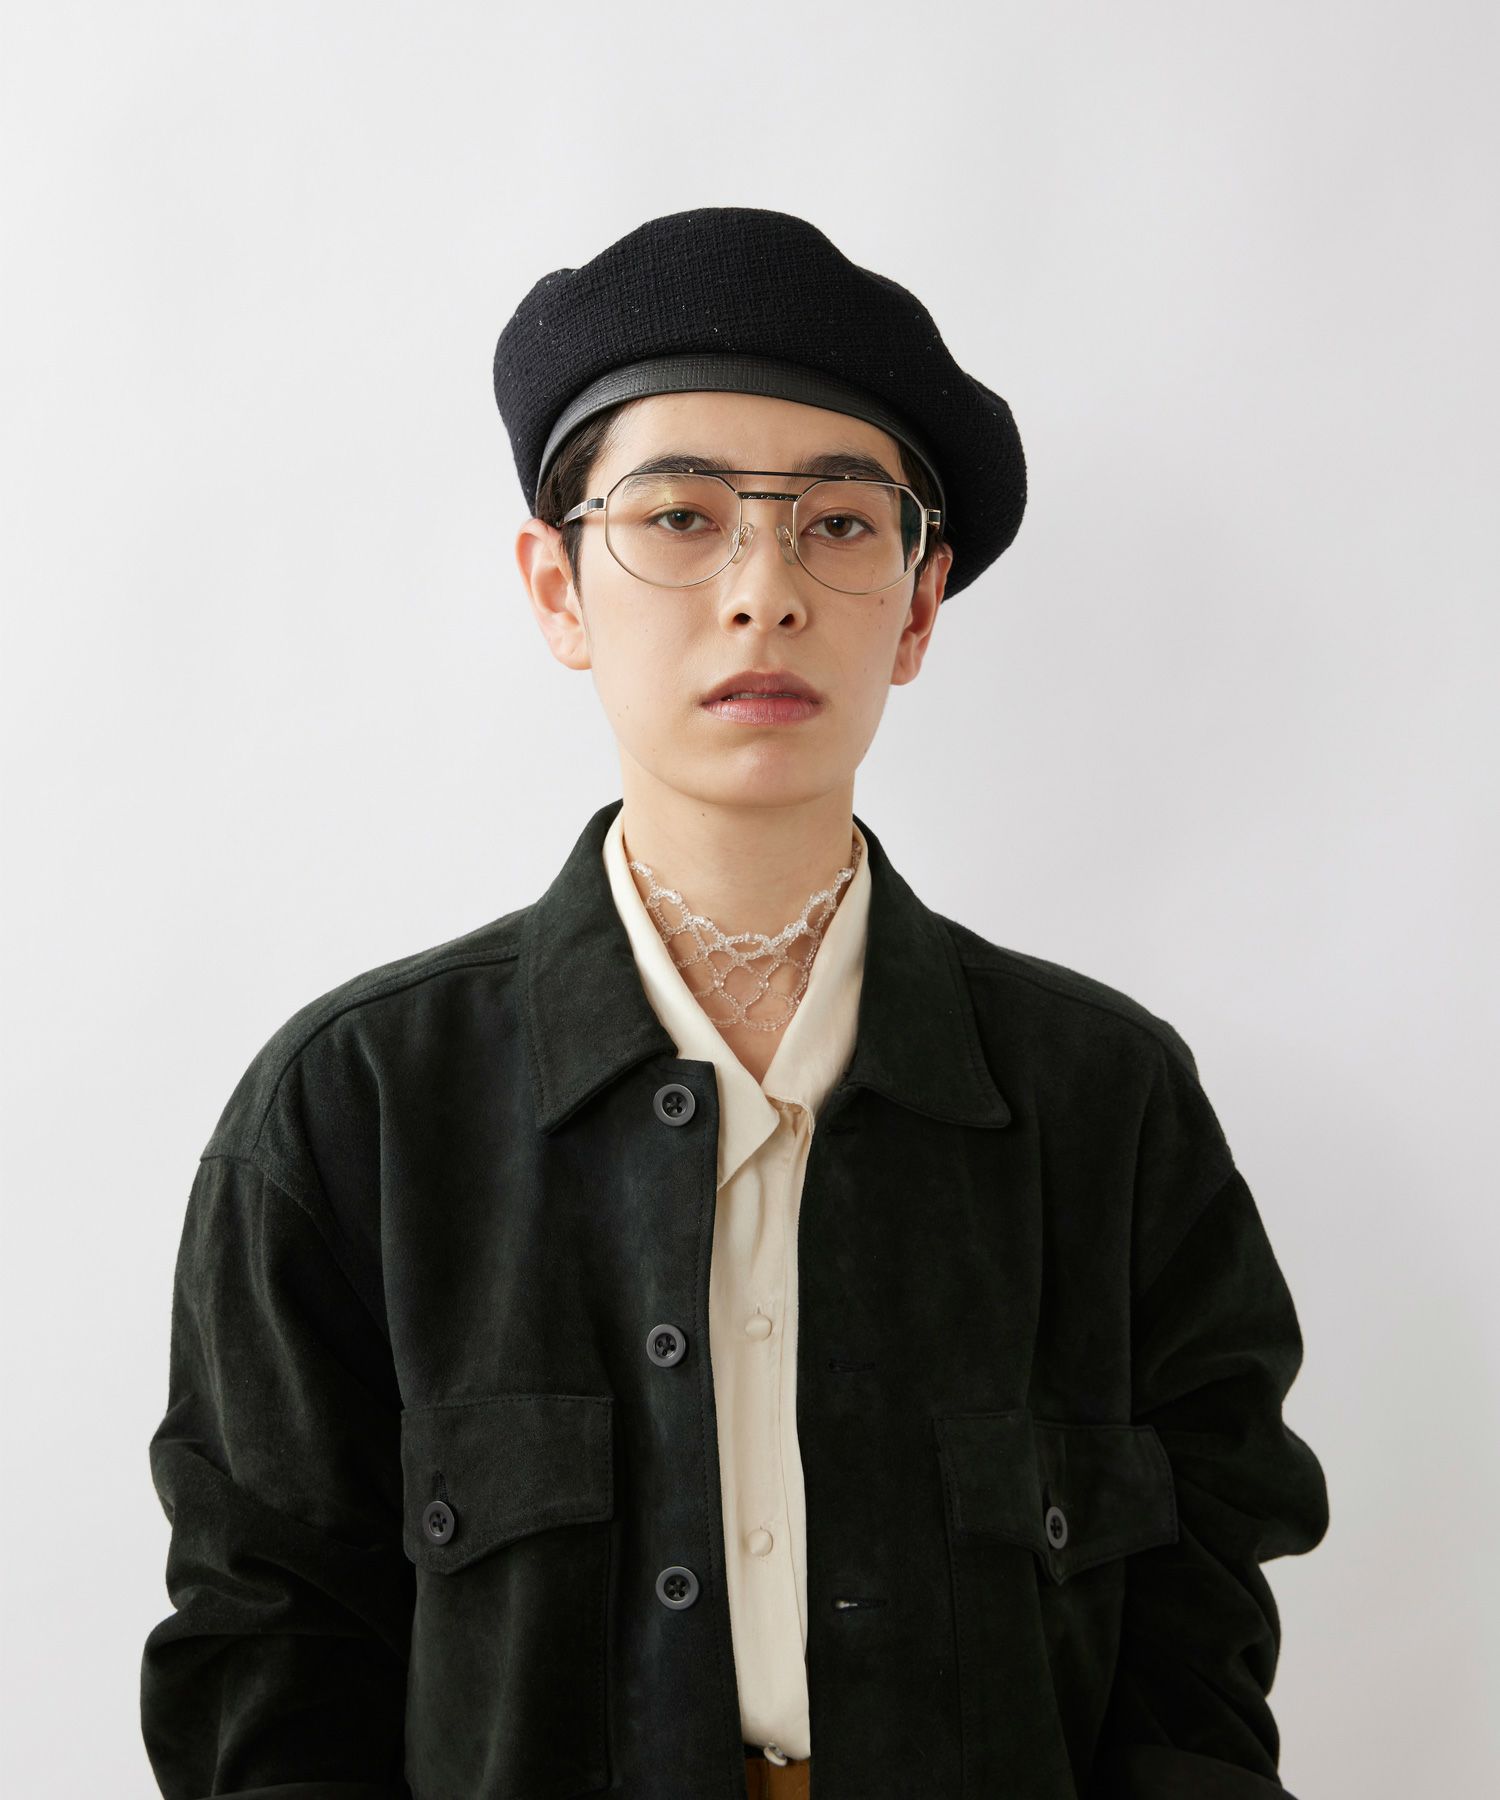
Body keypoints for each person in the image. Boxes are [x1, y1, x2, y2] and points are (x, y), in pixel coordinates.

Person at [141, 207, 1329, 1800]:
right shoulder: (355, 1110)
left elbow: (1200, 1628)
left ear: (918, 604)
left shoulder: (1105, 1104)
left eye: (839, 522)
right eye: (680, 515)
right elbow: (269, 1660)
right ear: (559, 588)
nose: (764, 589)